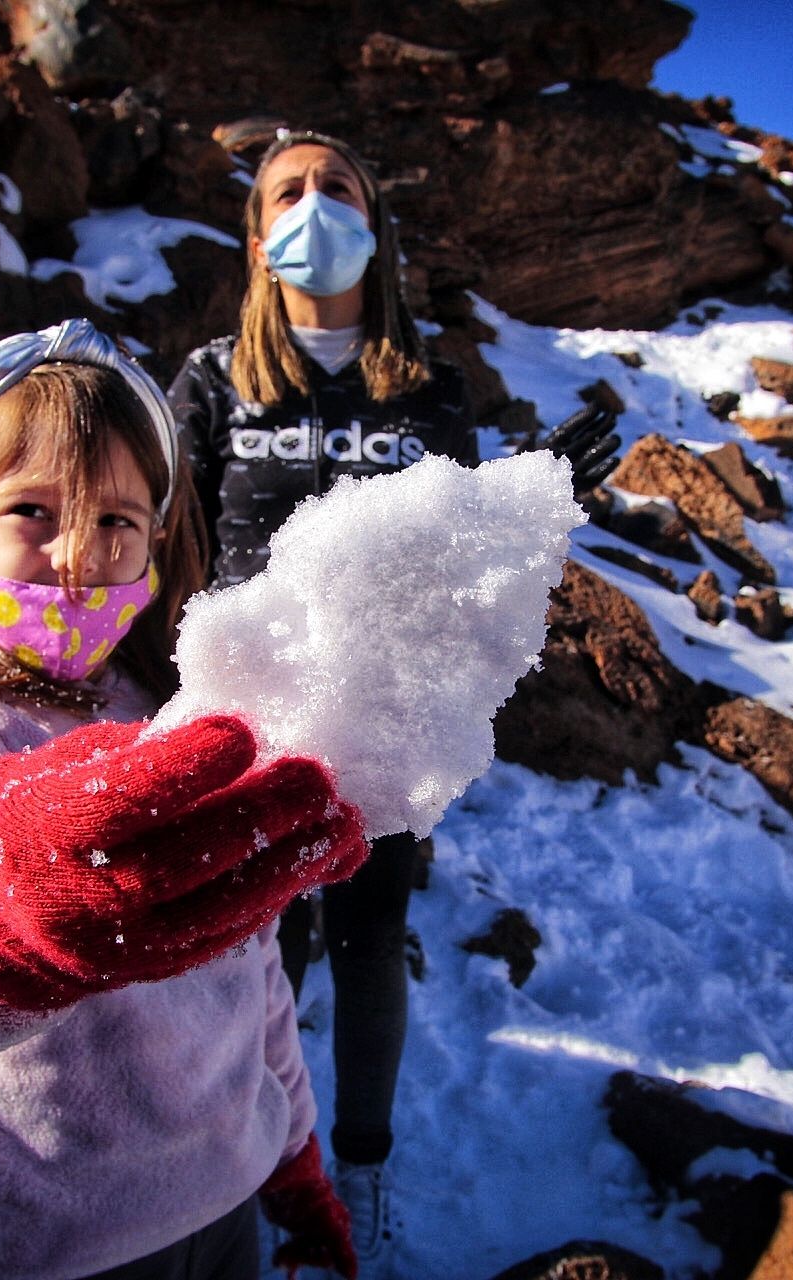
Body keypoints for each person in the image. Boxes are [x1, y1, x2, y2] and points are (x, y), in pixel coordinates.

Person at [0, 318, 372, 1280]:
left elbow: (253, 977)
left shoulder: (172, 715)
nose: (80, 554)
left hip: (226, 1203)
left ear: (157, 548)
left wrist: (293, 1156)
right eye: (33, 512)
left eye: (118, 522)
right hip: (45, 1246)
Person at [167, 129, 619, 1272]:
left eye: (337, 189)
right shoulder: (214, 379)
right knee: (258, 950)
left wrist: (526, 505)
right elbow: (170, 546)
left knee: (370, 940)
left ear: (377, 222)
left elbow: (458, 569)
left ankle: (356, 1168)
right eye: (288, 192)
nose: (314, 208)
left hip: (381, 719)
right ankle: (263, 1158)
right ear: (257, 233)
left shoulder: (430, 386)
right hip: (247, 720)